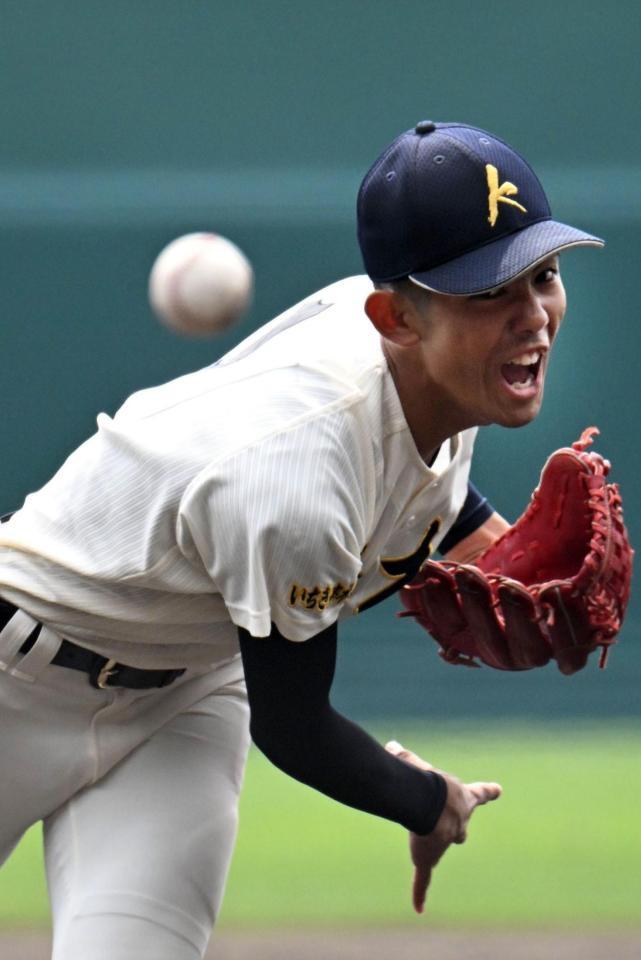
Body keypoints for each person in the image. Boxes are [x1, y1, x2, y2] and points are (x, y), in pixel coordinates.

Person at [0, 120, 604, 959]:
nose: (532, 317)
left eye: (542, 275)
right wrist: (428, 801)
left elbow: (428, 487)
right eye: (489, 293)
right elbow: (293, 726)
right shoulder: (295, 471)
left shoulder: (443, 374)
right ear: (396, 317)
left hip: (180, 698)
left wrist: (501, 553)